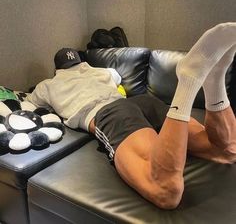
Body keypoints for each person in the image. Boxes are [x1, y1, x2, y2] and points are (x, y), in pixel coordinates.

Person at [27, 22, 236, 209]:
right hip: (139, 101)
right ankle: (215, 77)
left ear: (57, 69)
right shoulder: (98, 70)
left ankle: (189, 81)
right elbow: (117, 78)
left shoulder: (48, 85)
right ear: (81, 61)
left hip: (110, 111)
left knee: (165, 190)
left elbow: (31, 102)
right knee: (226, 151)